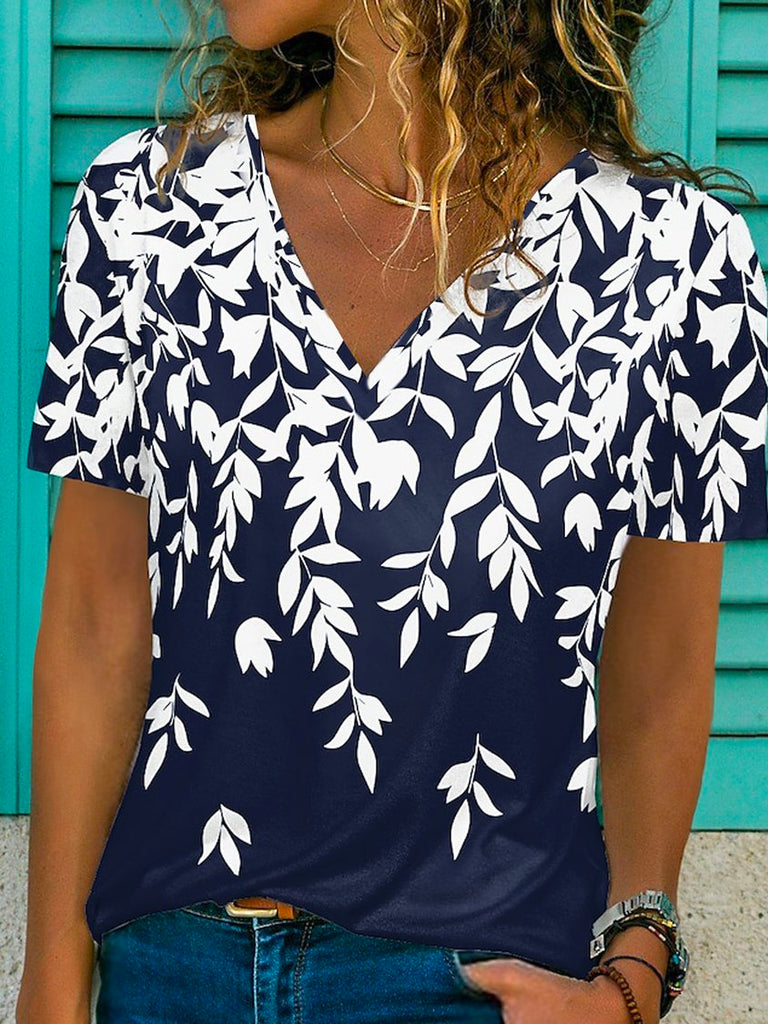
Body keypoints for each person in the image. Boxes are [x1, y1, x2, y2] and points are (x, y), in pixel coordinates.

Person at [16, 1, 768, 1023]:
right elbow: (93, 625)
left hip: (476, 978)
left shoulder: (677, 262)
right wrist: (52, 982)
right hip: (167, 970)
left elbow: (663, 666)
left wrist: (631, 979)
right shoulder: (148, 208)